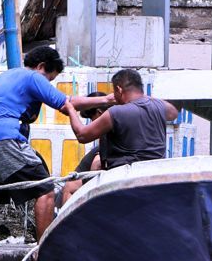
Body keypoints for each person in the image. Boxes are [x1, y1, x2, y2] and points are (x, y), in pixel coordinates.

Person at [0, 46, 108, 255]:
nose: (47, 85)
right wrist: (108, 100)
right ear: (42, 67)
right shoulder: (32, 78)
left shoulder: (4, 78)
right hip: (6, 138)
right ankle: (45, 250)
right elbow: (67, 103)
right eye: (49, 80)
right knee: (45, 189)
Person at [61, 70, 174, 204]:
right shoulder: (159, 107)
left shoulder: (116, 113)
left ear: (119, 89)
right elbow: (173, 112)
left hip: (123, 180)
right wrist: (145, 98)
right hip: (154, 178)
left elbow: (82, 135)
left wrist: (71, 110)